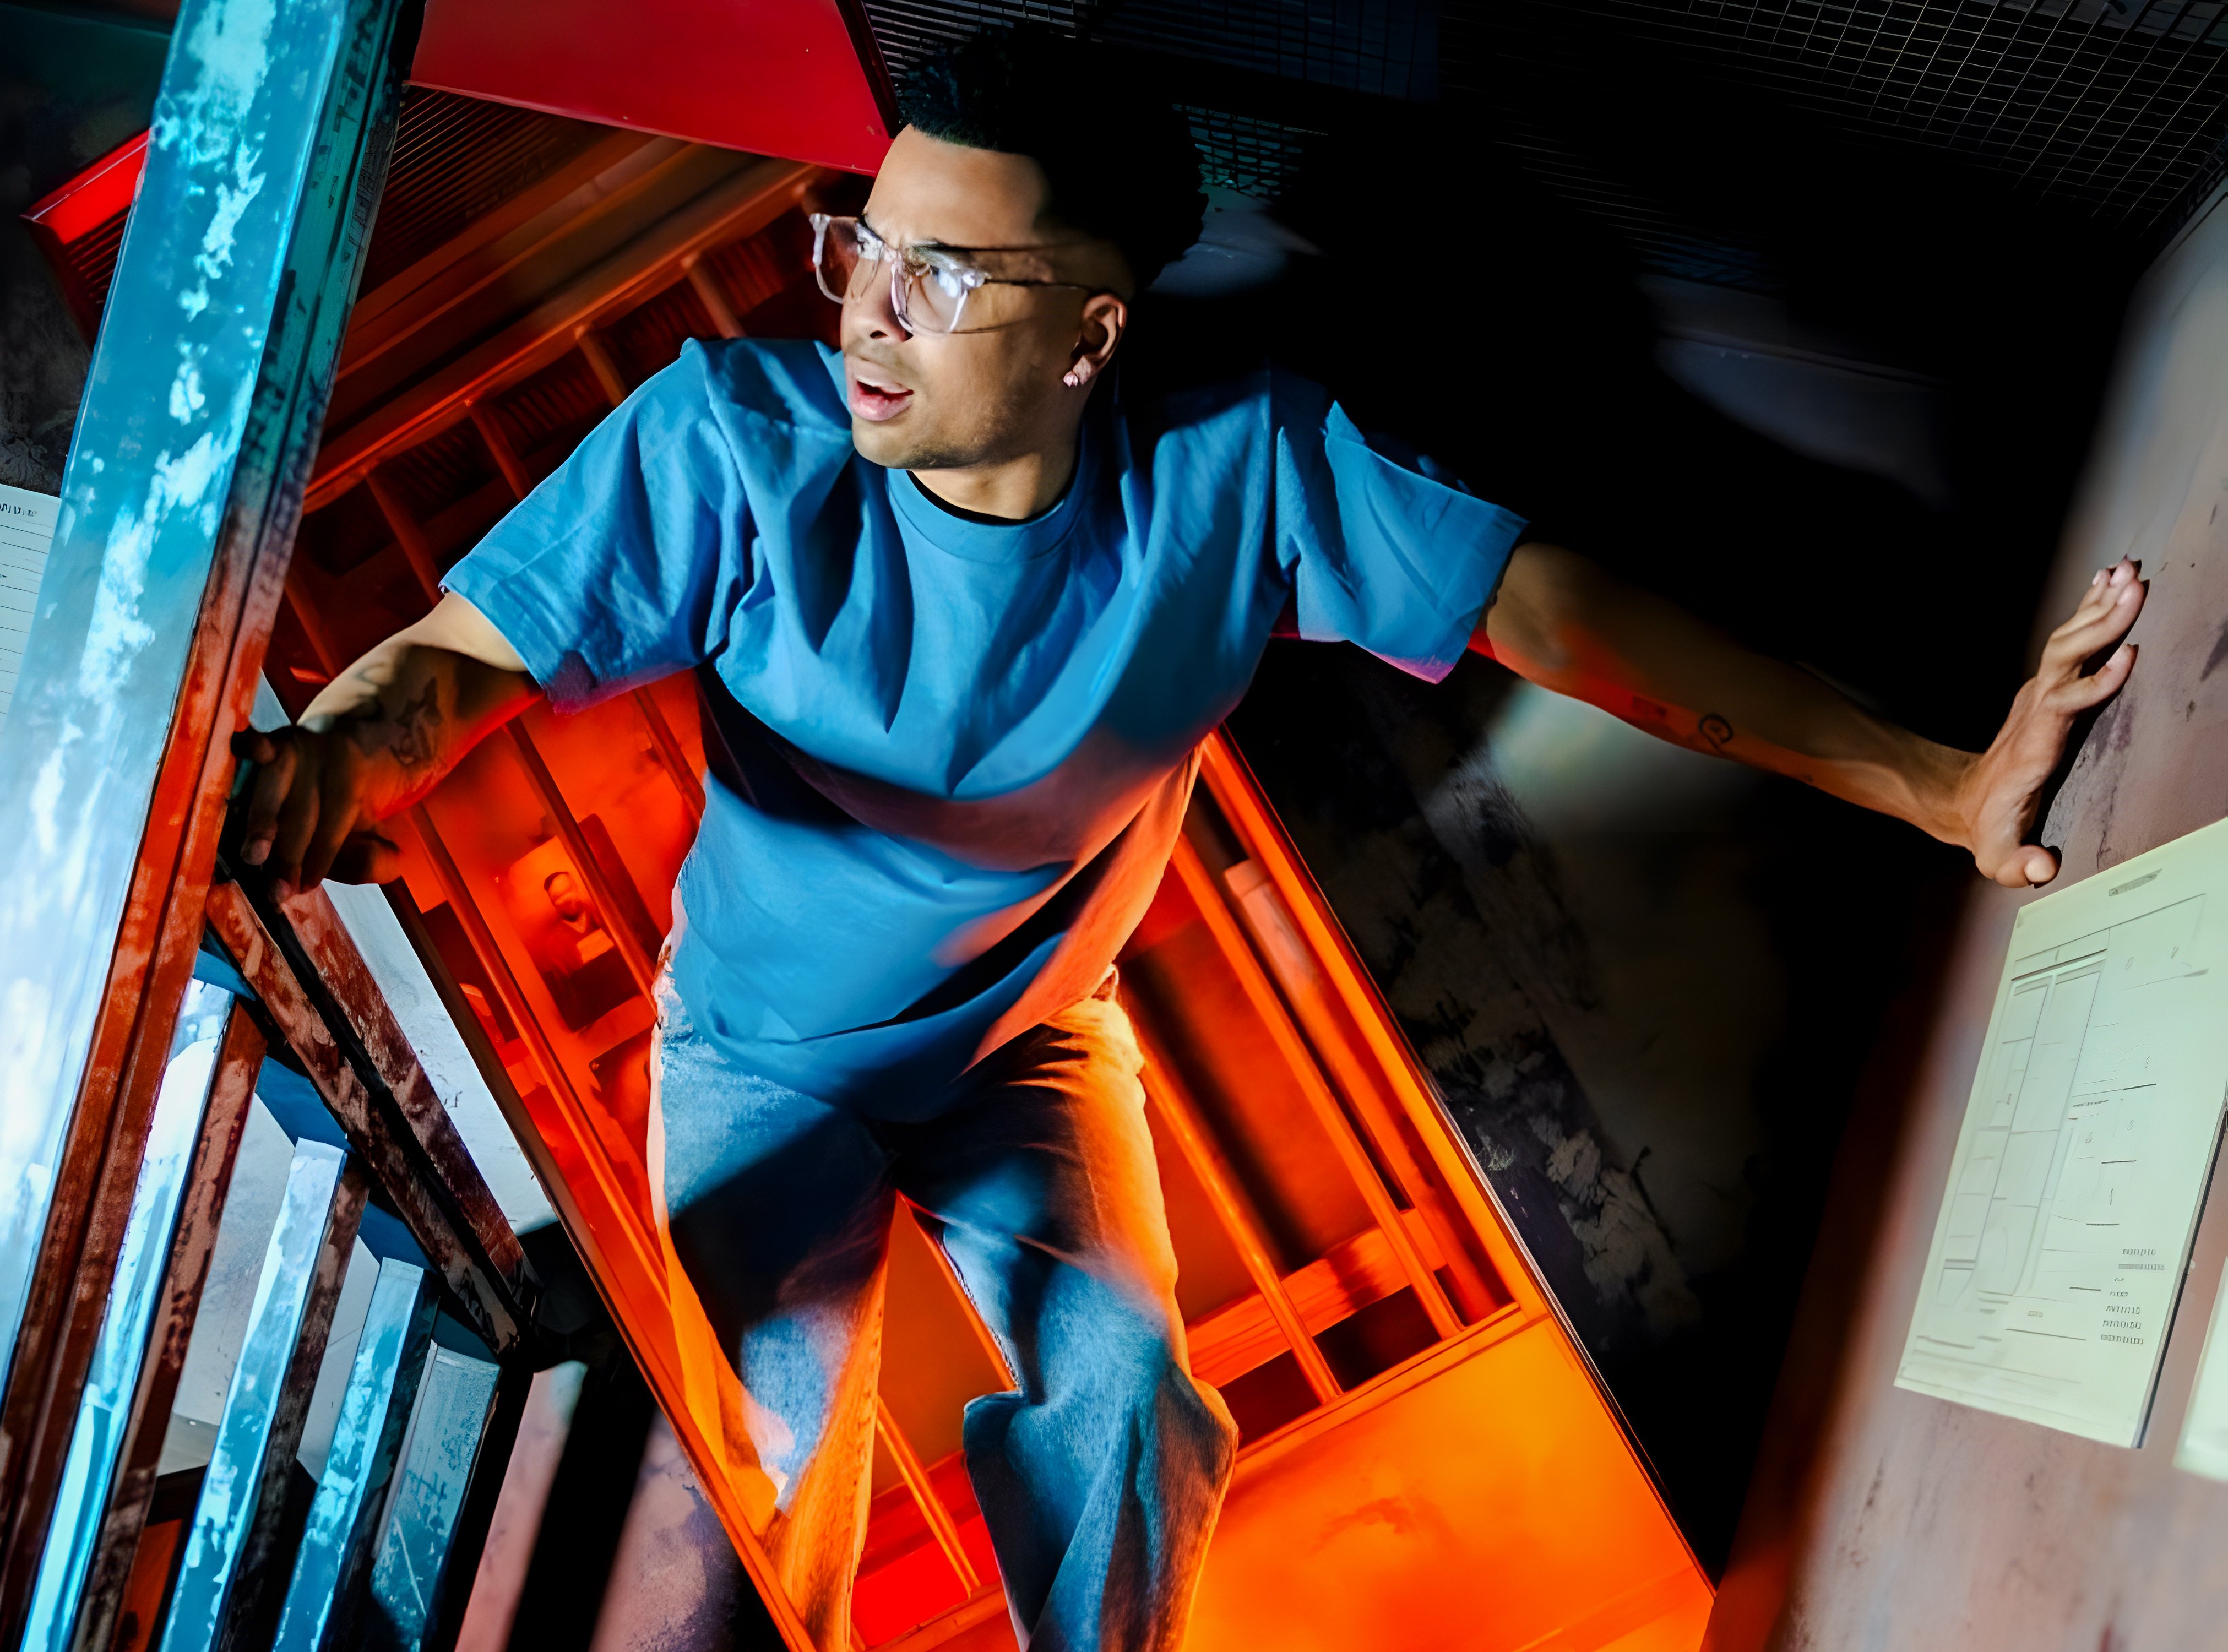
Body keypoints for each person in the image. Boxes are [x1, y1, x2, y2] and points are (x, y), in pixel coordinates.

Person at [230, 26, 2144, 1650]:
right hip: (760, 1065)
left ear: (1092, 333)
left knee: (1136, 1404)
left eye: (946, 278)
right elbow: (450, 668)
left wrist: (1938, 780)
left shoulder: (1241, 469)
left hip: (1030, 1042)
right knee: (780, 1481)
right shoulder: (738, 443)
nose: (870, 318)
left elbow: (1564, 617)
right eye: (863, 248)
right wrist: (318, 771)